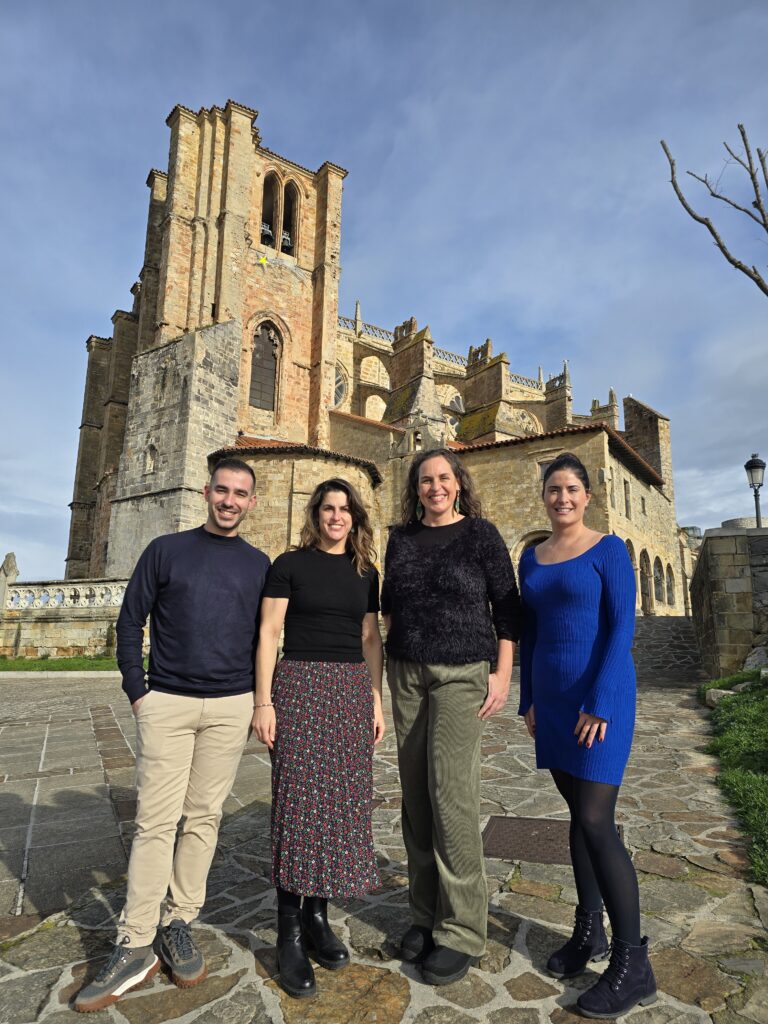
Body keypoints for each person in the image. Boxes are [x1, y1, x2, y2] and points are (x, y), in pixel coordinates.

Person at [75, 458, 270, 1013]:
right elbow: (130, 618)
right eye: (223, 491)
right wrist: (139, 691)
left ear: (253, 502)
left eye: (241, 494)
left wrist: (260, 700)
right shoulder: (166, 550)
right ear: (207, 493)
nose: (231, 501)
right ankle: (135, 940)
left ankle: (178, 921)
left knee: (204, 818)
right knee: (156, 822)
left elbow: (268, 636)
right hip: (167, 702)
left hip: (229, 707)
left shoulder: (259, 565)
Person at [517, 452, 656, 1018]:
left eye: (572, 489)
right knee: (577, 818)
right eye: (554, 489)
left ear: (587, 495)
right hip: (551, 702)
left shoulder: (609, 551)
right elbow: (530, 631)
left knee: (597, 820)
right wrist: (527, 698)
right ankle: (588, 932)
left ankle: (633, 963)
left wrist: (599, 701)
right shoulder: (531, 557)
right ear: (545, 496)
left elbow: (622, 626)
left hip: (601, 699)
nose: (562, 498)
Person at [381, 448, 521, 986]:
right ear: (415, 489)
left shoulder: (481, 535)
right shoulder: (401, 539)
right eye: (425, 480)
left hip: (464, 672)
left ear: (458, 484)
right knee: (416, 798)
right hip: (408, 672)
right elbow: (390, 603)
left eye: (443, 478)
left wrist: (502, 674)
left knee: (452, 795)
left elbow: (506, 609)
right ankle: (424, 916)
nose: (435, 487)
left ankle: (462, 929)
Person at [252, 478, 384, 1000]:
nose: (336, 517)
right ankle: (287, 931)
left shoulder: (366, 572)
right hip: (300, 686)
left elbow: (370, 637)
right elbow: (268, 634)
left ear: (354, 517)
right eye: (327, 508)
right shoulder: (289, 565)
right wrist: (264, 702)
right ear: (316, 515)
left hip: (351, 688)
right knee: (297, 804)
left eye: (344, 509)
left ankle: (318, 919)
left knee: (339, 807)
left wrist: (375, 698)